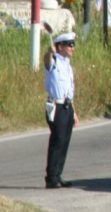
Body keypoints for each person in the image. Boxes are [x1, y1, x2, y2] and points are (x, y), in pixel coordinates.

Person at [43, 32, 79, 189]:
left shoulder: (68, 65)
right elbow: (46, 60)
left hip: (67, 106)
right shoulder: (54, 61)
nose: (73, 48)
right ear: (60, 47)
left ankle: (58, 175)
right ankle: (51, 177)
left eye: (73, 44)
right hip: (56, 107)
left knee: (64, 142)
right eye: (69, 45)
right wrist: (49, 52)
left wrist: (74, 112)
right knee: (57, 141)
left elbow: (69, 90)